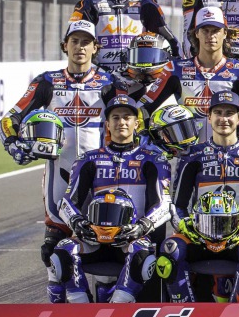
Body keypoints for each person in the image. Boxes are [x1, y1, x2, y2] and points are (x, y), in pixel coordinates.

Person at [0, 20, 118, 299]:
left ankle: (105, 316)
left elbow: (133, 120)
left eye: (86, 42)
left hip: (100, 177)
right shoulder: (47, 81)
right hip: (57, 175)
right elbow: (9, 120)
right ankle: (58, 316)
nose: (80, 47)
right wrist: (15, 145)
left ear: (95, 48)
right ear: (65, 45)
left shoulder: (109, 83)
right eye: (74, 41)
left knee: (106, 245)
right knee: (54, 251)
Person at [50, 95, 172, 303]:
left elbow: (163, 204)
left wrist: (142, 226)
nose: (121, 122)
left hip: (133, 238)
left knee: (141, 252)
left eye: (127, 117)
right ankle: (80, 307)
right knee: (62, 251)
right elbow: (68, 202)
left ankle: (118, 306)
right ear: (107, 124)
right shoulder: (88, 159)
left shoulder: (154, 158)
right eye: (115, 118)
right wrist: (78, 223)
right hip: (96, 238)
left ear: (136, 123)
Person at [159, 91, 239, 303]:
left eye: (230, 113)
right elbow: (178, 206)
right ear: (209, 116)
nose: (224, 119)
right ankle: (186, 313)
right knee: (170, 251)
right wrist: (184, 226)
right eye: (218, 113)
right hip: (199, 237)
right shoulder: (192, 155)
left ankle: (236, 315)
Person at [140, 7, 239, 145]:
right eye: (205, 30)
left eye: (216, 30)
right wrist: (150, 143)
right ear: (196, 33)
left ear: (225, 33)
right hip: (189, 155)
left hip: (228, 154)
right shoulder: (173, 69)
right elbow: (143, 108)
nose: (210, 36)